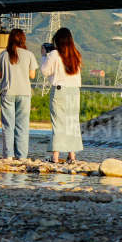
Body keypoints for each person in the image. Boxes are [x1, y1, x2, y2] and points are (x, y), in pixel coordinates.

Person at [0, 28, 38, 159]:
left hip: (8, 92)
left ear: (10, 39)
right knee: (22, 126)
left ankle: (8, 156)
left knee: (8, 126)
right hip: (24, 93)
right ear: (23, 39)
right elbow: (32, 75)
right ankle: (22, 156)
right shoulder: (29, 55)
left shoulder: (3, 54)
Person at [41, 27, 84, 163]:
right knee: (72, 123)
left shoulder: (54, 54)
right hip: (75, 92)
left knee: (58, 124)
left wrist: (44, 55)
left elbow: (45, 71)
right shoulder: (77, 54)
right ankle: (72, 156)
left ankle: (55, 156)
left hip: (59, 90)